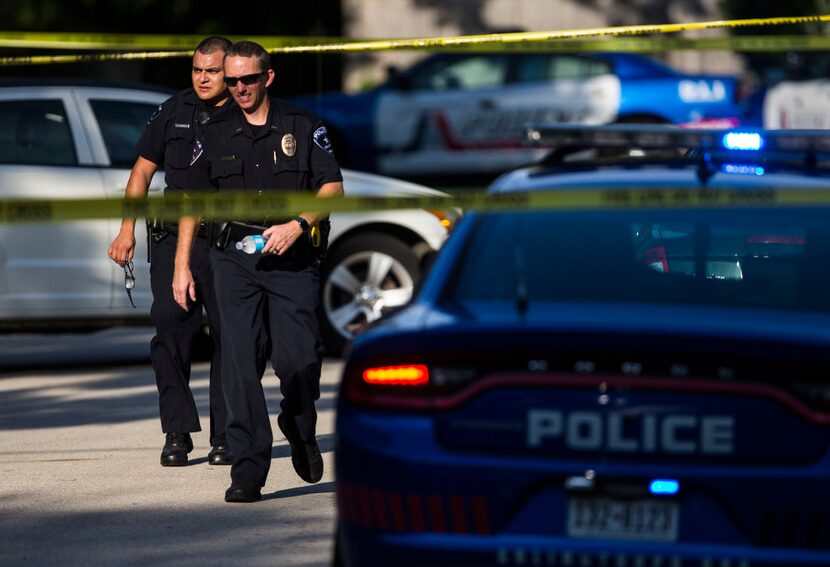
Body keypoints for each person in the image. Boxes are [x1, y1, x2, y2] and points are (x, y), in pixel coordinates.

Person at [174, 40, 344, 503]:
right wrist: (181, 265)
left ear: (267, 77)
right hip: (233, 260)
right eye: (231, 80)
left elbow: (332, 187)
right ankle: (248, 468)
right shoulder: (214, 130)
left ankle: (299, 422)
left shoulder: (300, 124)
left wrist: (299, 223)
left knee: (299, 361)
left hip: (291, 256)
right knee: (240, 365)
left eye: (247, 79)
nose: (239, 88)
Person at [107, 36, 233, 467]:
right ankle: (177, 431)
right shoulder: (172, 110)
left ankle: (226, 435)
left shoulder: (244, 111)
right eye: (197, 69)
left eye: (212, 71)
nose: (202, 78)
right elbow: (142, 171)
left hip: (223, 241)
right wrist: (127, 230)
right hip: (168, 240)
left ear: (229, 70)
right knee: (168, 329)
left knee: (230, 338)